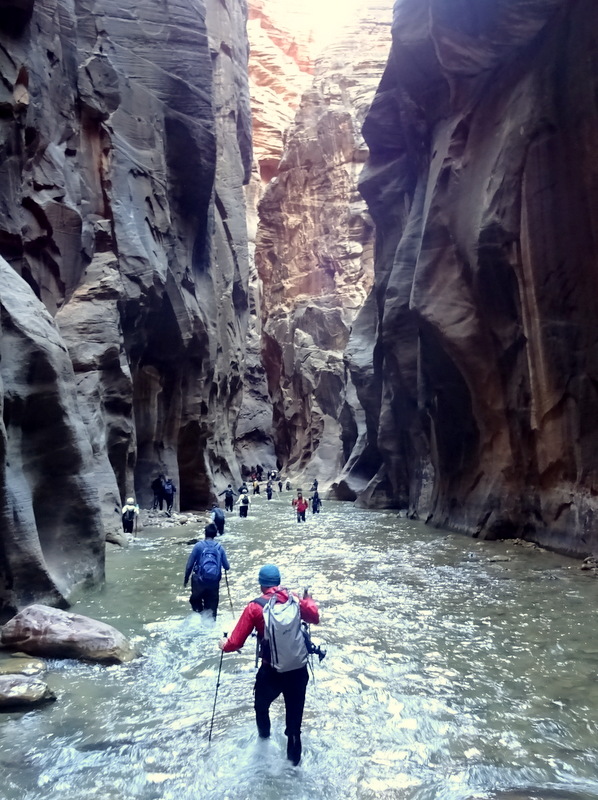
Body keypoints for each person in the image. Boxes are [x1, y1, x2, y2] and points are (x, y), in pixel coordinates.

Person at [219, 564, 320, 766]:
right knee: (294, 724)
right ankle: (293, 769)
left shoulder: (255, 607)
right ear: (278, 581)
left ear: (261, 584)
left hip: (271, 671)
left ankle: (263, 743)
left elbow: (236, 642)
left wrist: (224, 645)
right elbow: (314, 617)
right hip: (298, 671)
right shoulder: (294, 600)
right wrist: (307, 598)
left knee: (261, 706)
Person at [184, 523, 230, 618]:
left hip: (199, 582)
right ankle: (211, 627)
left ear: (205, 533)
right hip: (213, 582)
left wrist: (186, 579)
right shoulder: (219, 547)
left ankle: (198, 616)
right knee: (212, 609)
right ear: (215, 534)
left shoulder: (198, 546)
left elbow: (189, 565)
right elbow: (227, 566)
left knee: (195, 601)